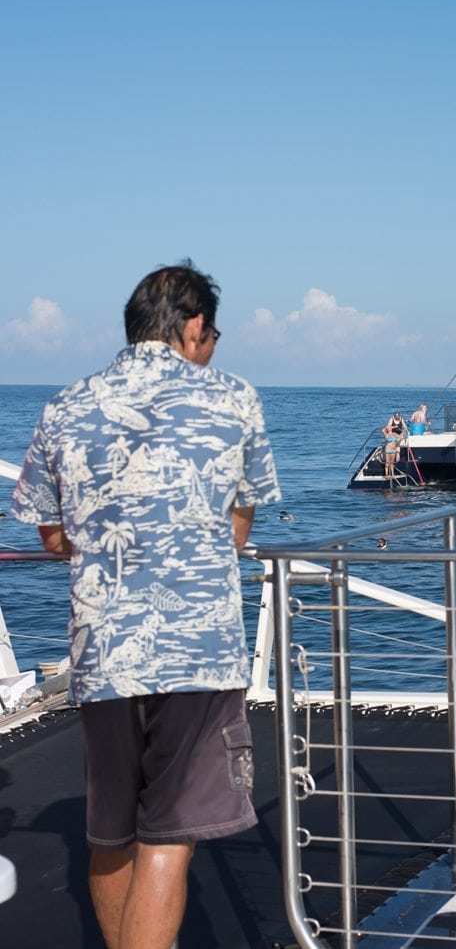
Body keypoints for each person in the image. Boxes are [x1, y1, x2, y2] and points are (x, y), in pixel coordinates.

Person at [12, 262, 281, 949]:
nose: (213, 343)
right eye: (212, 331)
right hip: (196, 649)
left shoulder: (65, 405)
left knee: (111, 831)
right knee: (170, 834)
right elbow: (239, 527)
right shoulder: (234, 399)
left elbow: (50, 532)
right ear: (193, 325)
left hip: (101, 649)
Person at [382, 412, 406, 478]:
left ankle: (392, 474)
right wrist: (392, 427)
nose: (397, 417)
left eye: (398, 416)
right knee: (387, 463)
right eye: (396, 416)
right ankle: (387, 475)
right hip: (388, 449)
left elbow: (402, 435)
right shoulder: (387, 434)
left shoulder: (396, 435)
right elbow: (383, 429)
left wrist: (403, 432)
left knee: (392, 463)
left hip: (393, 449)